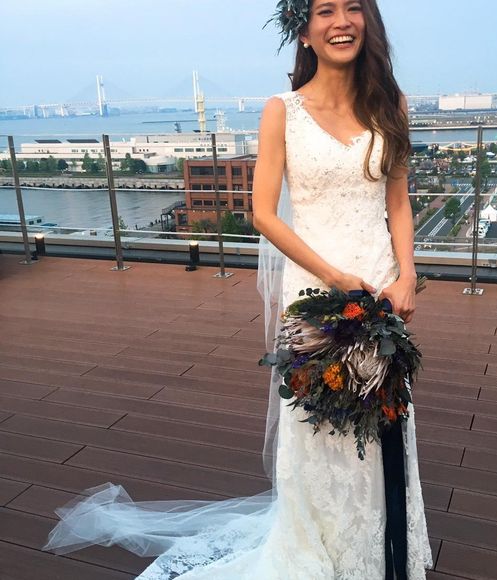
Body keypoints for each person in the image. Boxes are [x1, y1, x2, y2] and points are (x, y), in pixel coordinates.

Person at [43, 1, 433, 578]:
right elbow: (263, 213)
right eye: (325, 10)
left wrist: (407, 275)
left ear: (368, 21)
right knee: (321, 420)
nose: (341, 21)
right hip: (317, 286)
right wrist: (332, 278)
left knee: (381, 415)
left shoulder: (389, 104)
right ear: (305, 30)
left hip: (380, 286)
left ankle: (380, 546)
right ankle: (320, 549)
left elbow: (397, 201)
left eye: (354, 7)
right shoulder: (282, 111)